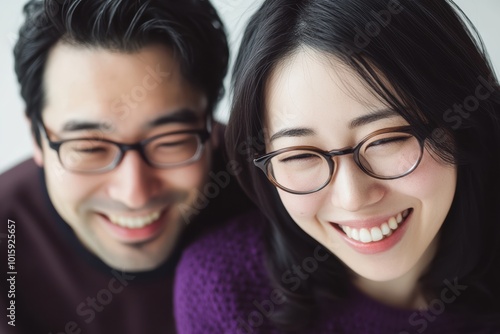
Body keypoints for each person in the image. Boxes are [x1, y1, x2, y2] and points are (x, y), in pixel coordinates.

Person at [174, 0, 500, 332]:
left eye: (386, 140)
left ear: (461, 124)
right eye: (300, 155)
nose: (352, 197)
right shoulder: (225, 290)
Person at [0, 0, 253, 333]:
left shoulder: (272, 195)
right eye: (90, 148)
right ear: (37, 137)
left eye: (170, 141)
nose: (134, 194)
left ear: (211, 126)